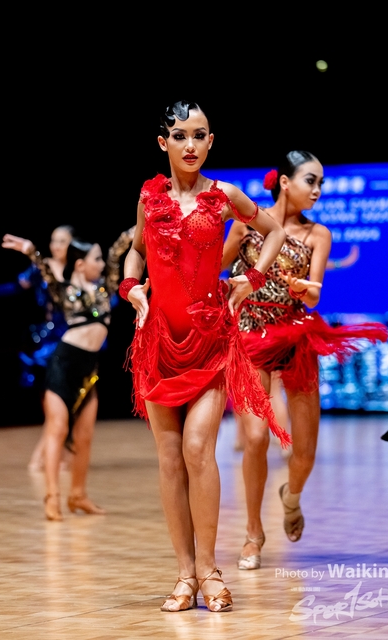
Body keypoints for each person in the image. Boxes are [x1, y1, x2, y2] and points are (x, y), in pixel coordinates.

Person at [119, 99, 290, 613]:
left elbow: (275, 231)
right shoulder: (149, 196)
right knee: (170, 458)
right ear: (163, 143)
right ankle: (185, 575)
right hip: (158, 344)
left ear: (211, 141)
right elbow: (136, 250)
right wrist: (131, 287)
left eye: (199, 135)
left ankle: (211, 570)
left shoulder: (224, 196)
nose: (190, 144)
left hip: (210, 340)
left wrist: (251, 278)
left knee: (198, 448)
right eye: (180, 135)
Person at [221, 151, 388, 568]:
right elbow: (215, 268)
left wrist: (302, 288)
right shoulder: (246, 225)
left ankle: (291, 498)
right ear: (284, 182)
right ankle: (254, 533)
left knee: (305, 454)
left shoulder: (318, 234)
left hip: (296, 336)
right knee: (255, 439)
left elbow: (314, 294)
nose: (317, 190)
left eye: (321, 184)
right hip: (250, 336)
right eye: (310, 180)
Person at [2, 227, 134, 520]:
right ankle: (52, 496)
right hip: (63, 367)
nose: (102, 264)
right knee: (58, 430)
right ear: (80, 264)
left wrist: (136, 229)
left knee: (84, 436)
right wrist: (31, 251)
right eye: (96, 259)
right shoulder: (64, 290)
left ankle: (78, 495)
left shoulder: (105, 289)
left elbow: (116, 253)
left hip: (89, 371)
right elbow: (45, 271)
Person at [0, 225, 75, 470]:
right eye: (53, 240)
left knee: (67, 402)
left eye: (62, 241)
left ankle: (54, 453)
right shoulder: (41, 268)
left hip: (72, 341)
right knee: (52, 405)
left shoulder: (77, 270)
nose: (56, 246)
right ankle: (46, 455)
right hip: (46, 344)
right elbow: (16, 286)